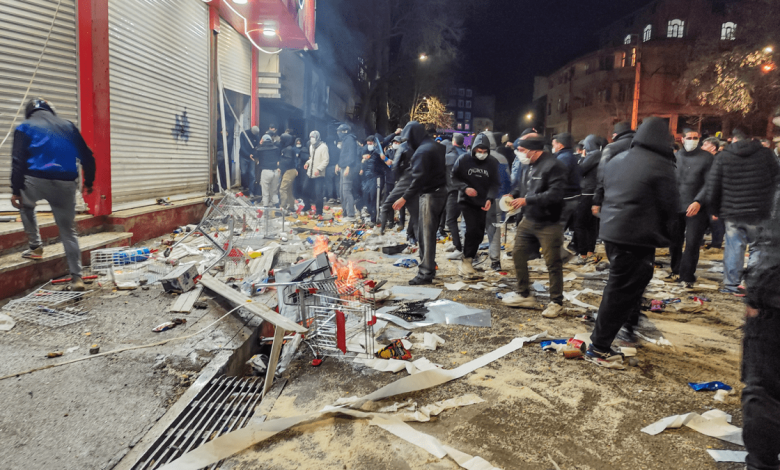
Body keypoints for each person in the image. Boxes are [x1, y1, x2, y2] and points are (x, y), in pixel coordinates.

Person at [585, 117, 678, 365]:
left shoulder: (618, 159)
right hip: (637, 237)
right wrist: (670, 236)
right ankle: (599, 347)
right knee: (622, 291)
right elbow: (671, 205)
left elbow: (604, 188)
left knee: (621, 288)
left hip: (613, 231)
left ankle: (610, 336)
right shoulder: (661, 165)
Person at [11, 98, 96, 291]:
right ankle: (77, 278)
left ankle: (35, 247)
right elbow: (87, 156)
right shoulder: (68, 126)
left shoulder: (24, 127)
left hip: (34, 181)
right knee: (68, 232)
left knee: (26, 206)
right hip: (65, 184)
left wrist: (16, 191)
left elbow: (18, 161)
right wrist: (89, 183)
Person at [501, 134, 567, 318]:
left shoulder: (555, 166)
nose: (519, 154)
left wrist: (526, 200)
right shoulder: (526, 164)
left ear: (534, 150)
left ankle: (556, 302)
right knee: (518, 253)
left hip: (549, 222)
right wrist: (513, 195)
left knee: (552, 262)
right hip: (529, 219)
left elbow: (555, 194)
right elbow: (522, 188)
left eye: (521, 150)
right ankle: (524, 294)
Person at [705, 128, 779, 293]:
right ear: (751, 138)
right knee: (757, 248)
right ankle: (753, 284)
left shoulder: (724, 156)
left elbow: (713, 186)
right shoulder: (766, 154)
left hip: (732, 211)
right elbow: (776, 180)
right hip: (759, 211)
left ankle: (731, 285)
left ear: (732, 139)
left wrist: (714, 210)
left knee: (734, 247)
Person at [741, 196, 780, 470]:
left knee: (765, 388)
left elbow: (769, 242)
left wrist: (755, 297)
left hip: (773, 299)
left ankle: (760, 464)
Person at [392, 121, 447, 285]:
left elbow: (417, 179)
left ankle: (425, 272)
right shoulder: (435, 146)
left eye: (408, 140)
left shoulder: (422, 152)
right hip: (440, 192)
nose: (408, 144)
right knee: (428, 233)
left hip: (430, 194)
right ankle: (430, 266)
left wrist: (404, 198)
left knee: (425, 235)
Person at [667, 129, 714, 287]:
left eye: (695, 138)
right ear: (682, 138)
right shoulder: (675, 156)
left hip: (696, 206)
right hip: (676, 205)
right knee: (674, 240)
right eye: (689, 137)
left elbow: (709, 183)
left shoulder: (707, 158)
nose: (692, 140)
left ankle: (687, 275)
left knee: (693, 242)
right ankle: (676, 269)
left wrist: (698, 201)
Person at [451, 133, 500, 276]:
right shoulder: (463, 159)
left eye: (485, 152)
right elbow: (453, 177)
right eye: (479, 151)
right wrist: (464, 187)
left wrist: (490, 199)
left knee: (479, 233)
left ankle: (470, 259)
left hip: (483, 201)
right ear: (473, 149)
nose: (482, 154)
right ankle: (465, 261)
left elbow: (495, 184)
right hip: (466, 201)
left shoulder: (492, 162)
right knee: (471, 230)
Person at [571, 134, 602, 264]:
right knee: (591, 225)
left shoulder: (594, 155)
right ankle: (590, 251)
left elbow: (580, 170)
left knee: (580, 224)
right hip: (595, 193)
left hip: (587, 193)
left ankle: (583, 254)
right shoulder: (601, 154)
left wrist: (582, 158)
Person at [592, 121, 634, 215]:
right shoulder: (641, 146)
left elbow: (602, 175)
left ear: (615, 134)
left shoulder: (611, 148)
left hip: (615, 196)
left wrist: (597, 200)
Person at [379, 137, 415, 236]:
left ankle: (402, 224)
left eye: (397, 142)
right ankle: (389, 223)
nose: (395, 143)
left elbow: (397, 166)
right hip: (390, 180)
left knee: (403, 205)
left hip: (401, 181)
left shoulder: (404, 151)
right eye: (394, 142)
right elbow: (386, 164)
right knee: (388, 203)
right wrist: (385, 160)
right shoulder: (390, 151)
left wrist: (392, 163)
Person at [444, 134, 468, 260]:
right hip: (467, 191)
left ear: (453, 142)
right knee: (464, 221)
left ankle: (459, 248)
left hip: (454, 191)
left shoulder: (449, 157)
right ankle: (458, 244)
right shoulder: (467, 154)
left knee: (450, 220)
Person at [551, 132, 582, 232]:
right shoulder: (569, 156)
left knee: (556, 229)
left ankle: (555, 247)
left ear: (560, 145)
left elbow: (558, 179)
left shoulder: (563, 158)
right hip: (571, 197)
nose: (553, 147)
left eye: (554, 145)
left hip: (566, 198)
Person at [700, 137, 725, 249]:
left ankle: (716, 244)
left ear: (713, 147)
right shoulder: (706, 159)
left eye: (705, 145)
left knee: (715, 220)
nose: (702, 147)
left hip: (715, 195)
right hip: (705, 194)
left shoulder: (718, 160)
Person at [335, 123, 359, 220]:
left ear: (344, 131)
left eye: (339, 131)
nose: (338, 133)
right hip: (343, 167)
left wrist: (348, 166)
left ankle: (350, 214)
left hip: (348, 168)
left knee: (346, 191)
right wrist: (339, 164)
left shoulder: (350, 140)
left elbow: (351, 155)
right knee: (341, 191)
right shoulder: (345, 140)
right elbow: (343, 155)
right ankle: (345, 212)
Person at [303, 130, 329, 217]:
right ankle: (307, 205)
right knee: (305, 189)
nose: (312, 139)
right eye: (311, 137)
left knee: (318, 193)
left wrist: (319, 169)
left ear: (317, 137)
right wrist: (307, 163)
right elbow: (312, 158)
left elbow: (326, 160)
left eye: (313, 137)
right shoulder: (311, 146)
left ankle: (319, 211)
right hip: (310, 172)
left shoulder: (323, 147)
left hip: (319, 174)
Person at [360, 136, 384, 224]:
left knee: (375, 198)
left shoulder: (378, 152)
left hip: (376, 177)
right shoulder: (367, 151)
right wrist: (363, 161)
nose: (369, 143)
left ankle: (375, 219)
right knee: (367, 197)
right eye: (368, 142)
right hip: (367, 178)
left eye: (370, 142)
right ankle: (371, 215)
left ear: (374, 143)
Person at [252, 134, 281, 208]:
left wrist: (260, 144)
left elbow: (254, 156)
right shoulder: (276, 148)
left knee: (265, 193)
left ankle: (265, 210)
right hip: (275, 172)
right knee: (274, 192)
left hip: (266, 171)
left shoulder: (260, 149)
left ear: (263, 140)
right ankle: (277, 208)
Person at [278, 133, 298, 212]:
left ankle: (282, 207)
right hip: (290, 170)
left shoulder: (288, 149)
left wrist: (280, 162)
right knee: (289, 190)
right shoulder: (289, 148)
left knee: (282, 189)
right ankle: (291, 207)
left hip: (289, 171)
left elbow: (288, 160)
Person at [239, 126, 259, 193]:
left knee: (252, 175)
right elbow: (242, 147)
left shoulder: (256, 136)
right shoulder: (243, 134)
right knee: (243, 172)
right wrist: (248, 155)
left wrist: (255, 156)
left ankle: (251, 191)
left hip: (252, 158)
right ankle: (245, 186)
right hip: (243, 156)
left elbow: (257, 147)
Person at [293, 137, 308, 202]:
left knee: (302, 182)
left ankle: (302, 195)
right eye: (297, 141)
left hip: (302, 168)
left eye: (299, 141)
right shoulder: (293, 149)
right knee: (295, 182)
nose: (298, 143)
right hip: (294, 167)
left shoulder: (304, 149)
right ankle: (296, 195)